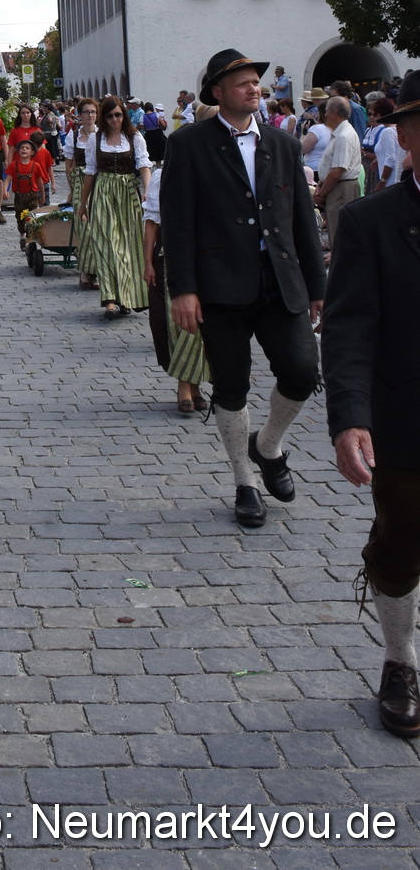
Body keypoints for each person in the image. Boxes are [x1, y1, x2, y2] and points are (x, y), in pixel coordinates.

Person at [160, 48, 326, 530]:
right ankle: (244, 481)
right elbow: (178, 223)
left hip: (280, 281)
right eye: (243, 83)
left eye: (257, 82)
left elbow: (301, 221)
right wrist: (182, 288)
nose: (255, 88)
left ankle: (268, 445)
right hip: (219, 286)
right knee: (230, 386)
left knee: (301, 371)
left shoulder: (283, 144)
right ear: (218, 92)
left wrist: (316, 284)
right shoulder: (188, 144)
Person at [322, 70, 420, 737]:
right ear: (406, 136)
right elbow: (350, 328)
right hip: (404, 415)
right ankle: (399, 661)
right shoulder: (370, 222)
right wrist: (349, 418)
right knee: (400, 543)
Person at [78, 95, 151, 318]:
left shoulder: (134, 137)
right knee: (106, 243)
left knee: (128, 246)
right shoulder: (95, 139)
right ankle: (110, 298)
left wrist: (147, 192)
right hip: (103, 192)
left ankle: (127, 296)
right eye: (109, 116)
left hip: (128, 193)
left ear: (124, 115)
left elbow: (144, 165)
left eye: (118, 115)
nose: (114, 119)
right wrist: (83, 203)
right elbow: (90, 172)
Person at [143, 167, 208, 416]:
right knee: (174, 321)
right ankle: (189, 382)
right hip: (170, 256)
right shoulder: (164, 175)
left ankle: (189, 384)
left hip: (209, 254)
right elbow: (152, 221)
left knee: (201, 321)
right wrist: (148, 262)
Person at [62, 97, 100, 290]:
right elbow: (69, 165)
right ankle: (86, 270)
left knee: (99, 227)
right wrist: (72, 187)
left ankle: (99, 269)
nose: (90, 116)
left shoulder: (102, 134)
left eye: (93, 112)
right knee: (84, 227)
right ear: (80, 115)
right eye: (86, 112)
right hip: (79, 181)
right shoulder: (74, 135)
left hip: (100, 184)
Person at [313, 96, 363, 243]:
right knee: (336, 230)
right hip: (337, 186)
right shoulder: (340, 133)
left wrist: (321, 194)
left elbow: (337, 172)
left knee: (340, 233)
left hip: (341, 188)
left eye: (327, 111)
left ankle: (341, 263)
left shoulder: (343, 136)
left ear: (334, 112)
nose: (325, 115)